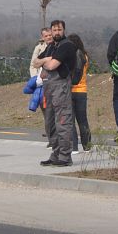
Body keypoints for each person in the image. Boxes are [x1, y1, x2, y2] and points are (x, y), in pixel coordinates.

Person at [34, 19, 77, 167]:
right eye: (54, 30)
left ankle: (65, 156)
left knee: (62, 121)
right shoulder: (52, 46)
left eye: (59, 30)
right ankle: (56, 153)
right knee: (50, 122)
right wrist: (47, 58)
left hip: (61, 87)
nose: (57, 32)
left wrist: (46, 61)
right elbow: (35, 62)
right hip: (49, 88)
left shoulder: (67, 46)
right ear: (50, 31)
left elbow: (52, 66)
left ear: (63, 30)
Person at [67, 33, 92, 151]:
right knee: (83, 119)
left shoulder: (73, 56)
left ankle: (74, 147)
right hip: (82, 91)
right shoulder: (85, 56)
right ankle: (87, 146)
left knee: (71, 120)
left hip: (71, 90)